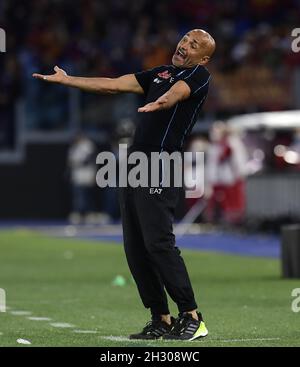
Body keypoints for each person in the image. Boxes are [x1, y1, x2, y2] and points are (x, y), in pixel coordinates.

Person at [33, 29, 216, 341]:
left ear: (204, 57)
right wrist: (69, 80)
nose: (185, 45)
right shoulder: (160, 72)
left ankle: (192, 316)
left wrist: (162, 102)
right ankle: (161, 317)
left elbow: (179, 93)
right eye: (185, 39)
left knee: (159, 244)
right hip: (135, 167)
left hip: (161, 166)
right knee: (135, 248)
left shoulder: (199, 76)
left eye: (194, 44)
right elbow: (113, 85)